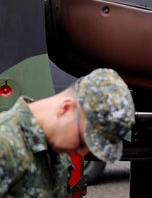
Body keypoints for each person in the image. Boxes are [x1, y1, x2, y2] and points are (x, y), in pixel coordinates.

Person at [0, 68, 135, 197]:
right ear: (66, 108)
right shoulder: (5, 145)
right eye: (82, 141)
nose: (82, 153)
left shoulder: (56, 153)